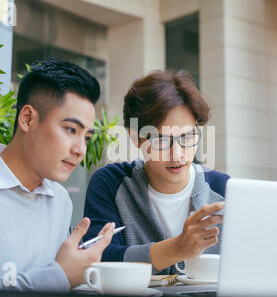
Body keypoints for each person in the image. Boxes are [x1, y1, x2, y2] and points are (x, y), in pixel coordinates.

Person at [0, 58, 115, 293]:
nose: (80, 149)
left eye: (87, 137)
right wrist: (58, 277)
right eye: (71, 130)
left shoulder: (59, 199)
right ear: (27, 119)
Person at [83, 70, 230, 275]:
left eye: (187, 137)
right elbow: (98, 257)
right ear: (136, 138)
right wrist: (177, 248)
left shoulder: (223, 189)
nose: (177, 154)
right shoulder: (111, 184)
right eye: (161, 140)